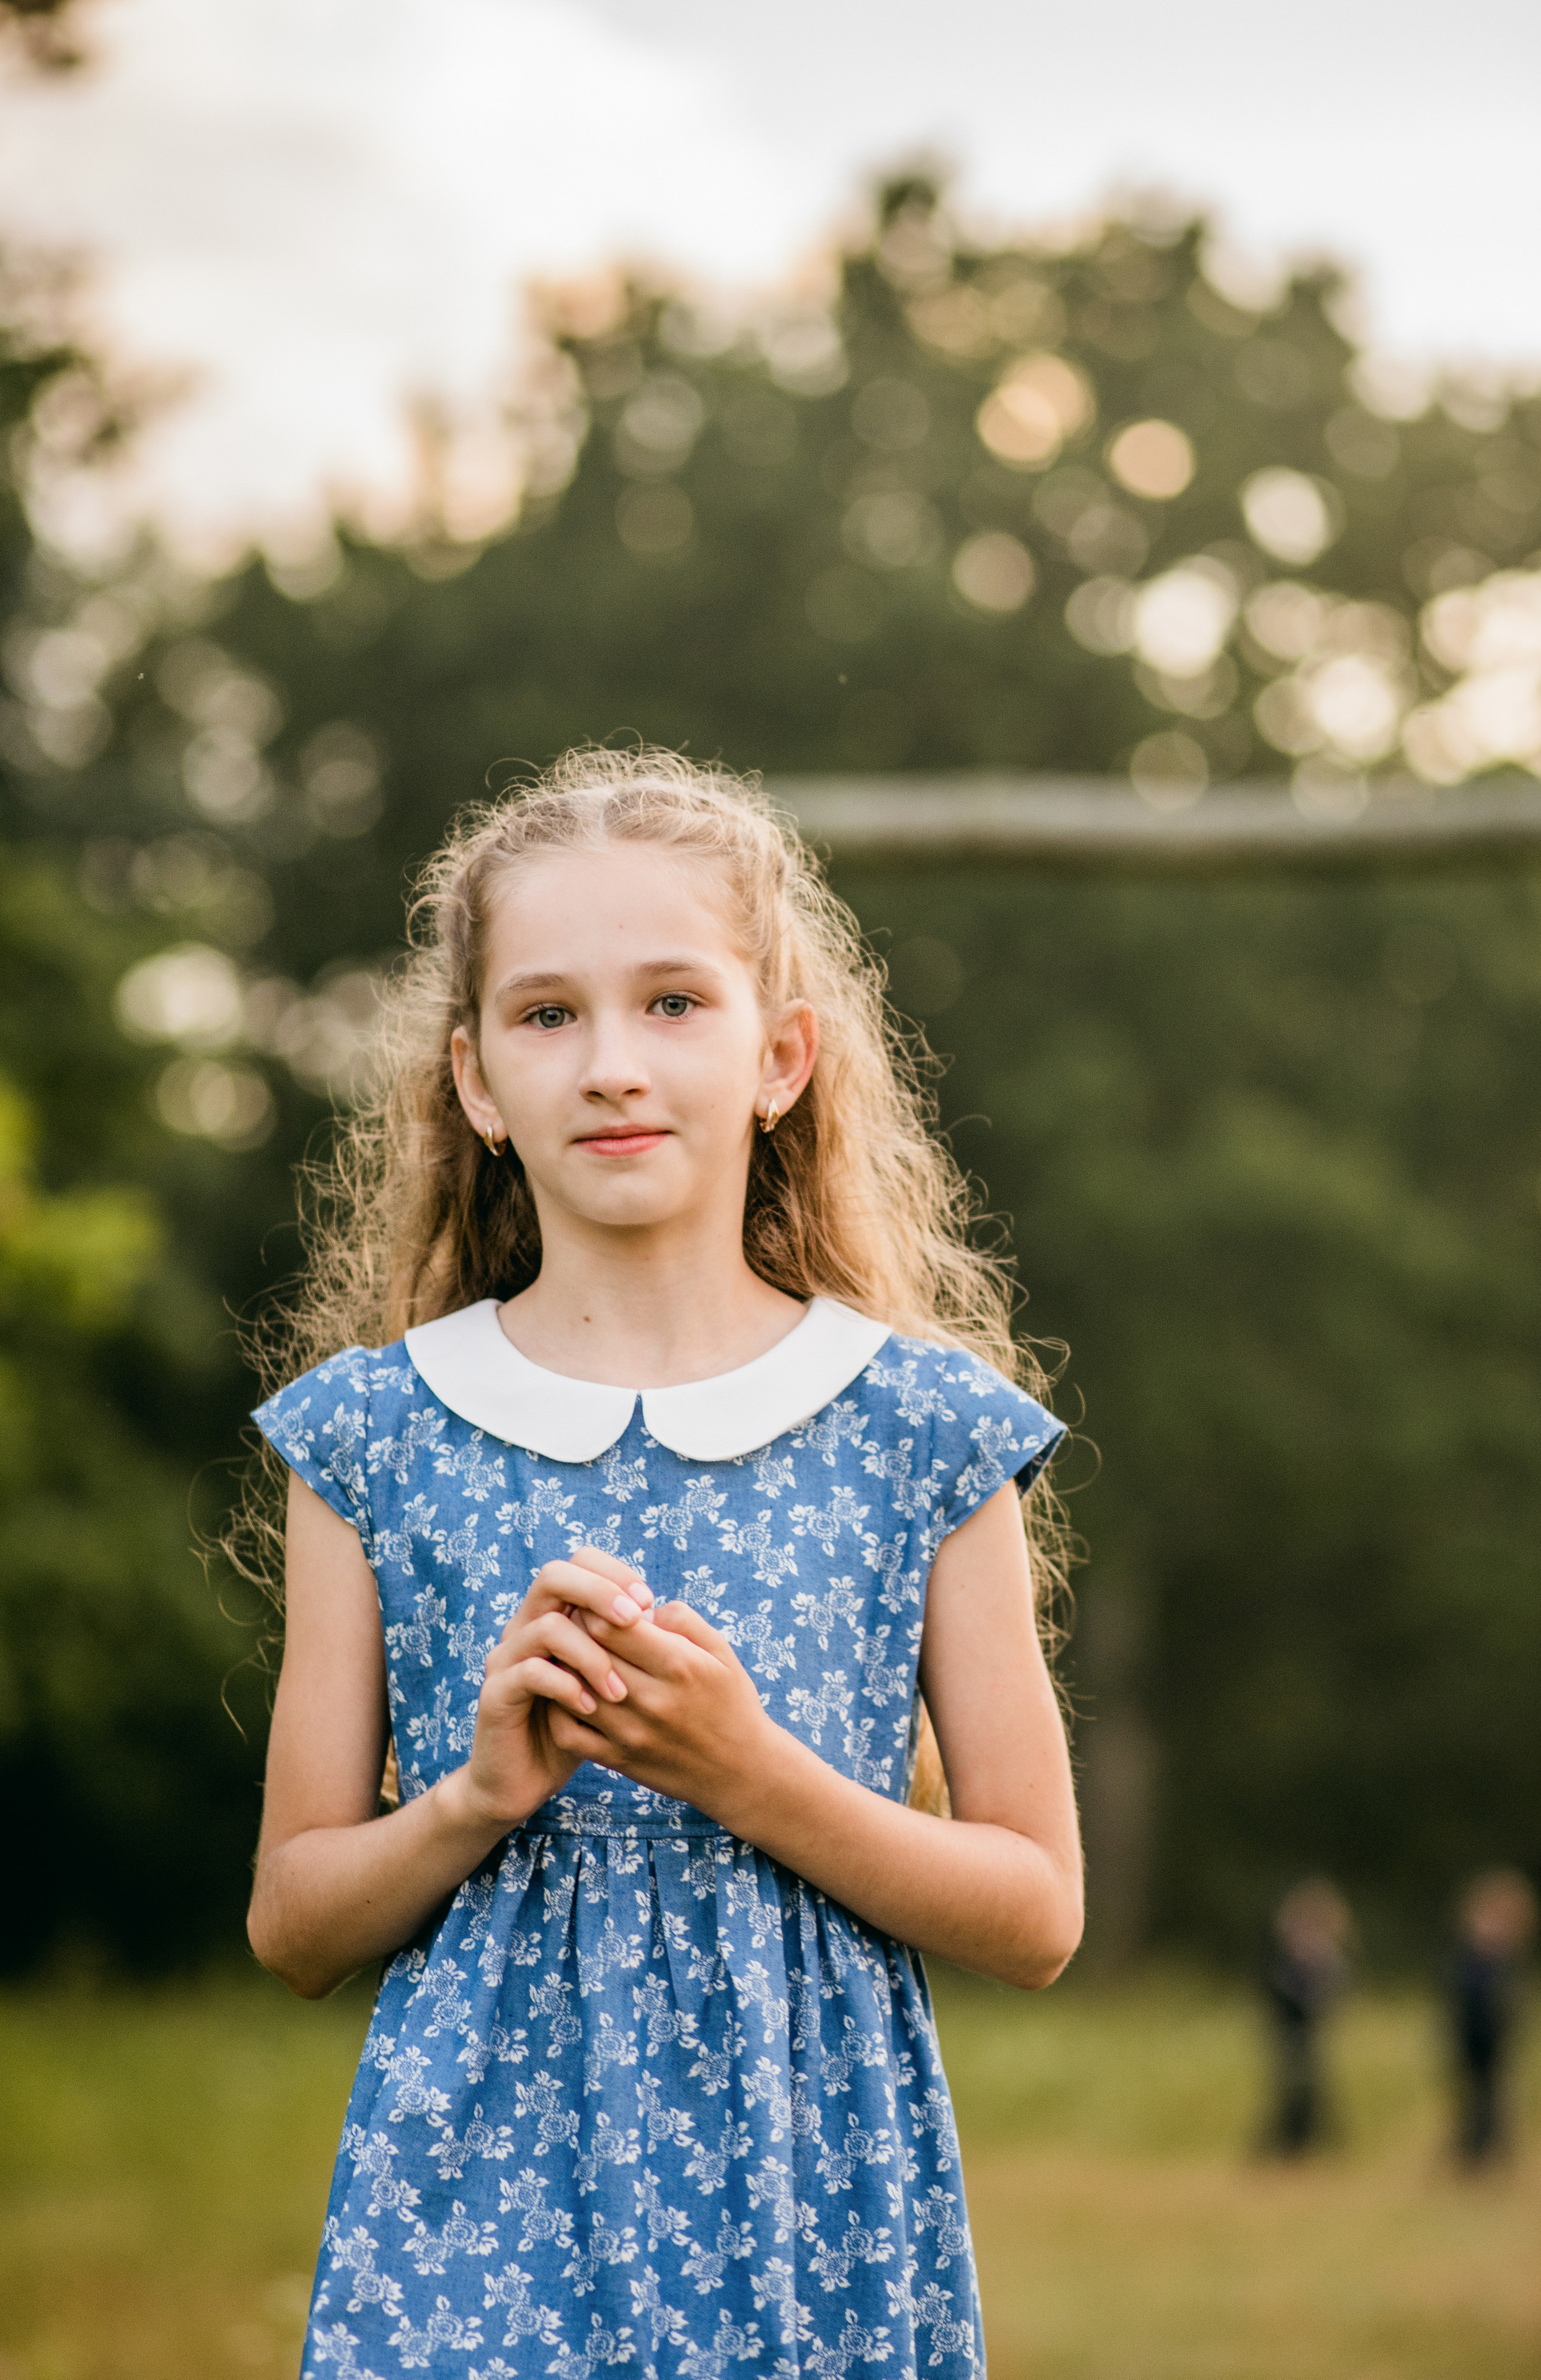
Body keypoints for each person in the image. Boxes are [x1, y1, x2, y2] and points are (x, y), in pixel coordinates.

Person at [242, 749, 1084, 2379]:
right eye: (548, 1015)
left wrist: (749, 1772)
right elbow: (293, 1921)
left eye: (674, 1004)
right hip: (471, 2244)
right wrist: (478, 1797)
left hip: (812, 2229)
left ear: (781, 1056)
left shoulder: (922, 1435)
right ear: (477, 1082)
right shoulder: (373, 1443)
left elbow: (1038, 1912)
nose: (612, 1064)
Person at [1447, 1868, 1537, 2168]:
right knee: (1474, 2093)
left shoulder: (1503, 1963)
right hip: (1470, 2035)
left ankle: (1490, 2151)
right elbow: (1458, 1997)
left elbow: (1508, 2005)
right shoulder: (1469, 1960)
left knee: (1493, 2093)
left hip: (1494, 2036)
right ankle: (1473, 2149)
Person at [1259, 1879, 1352, 2157]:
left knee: (1311, 2086)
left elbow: (1335, 1993)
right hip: (1288, 2029)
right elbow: (1279, 1994)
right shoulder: (1282, 1961)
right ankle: (1288, 2144)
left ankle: (1305, 2144)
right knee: (1291, 2086)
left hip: (1309, 2031)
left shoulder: (1327, 1962)